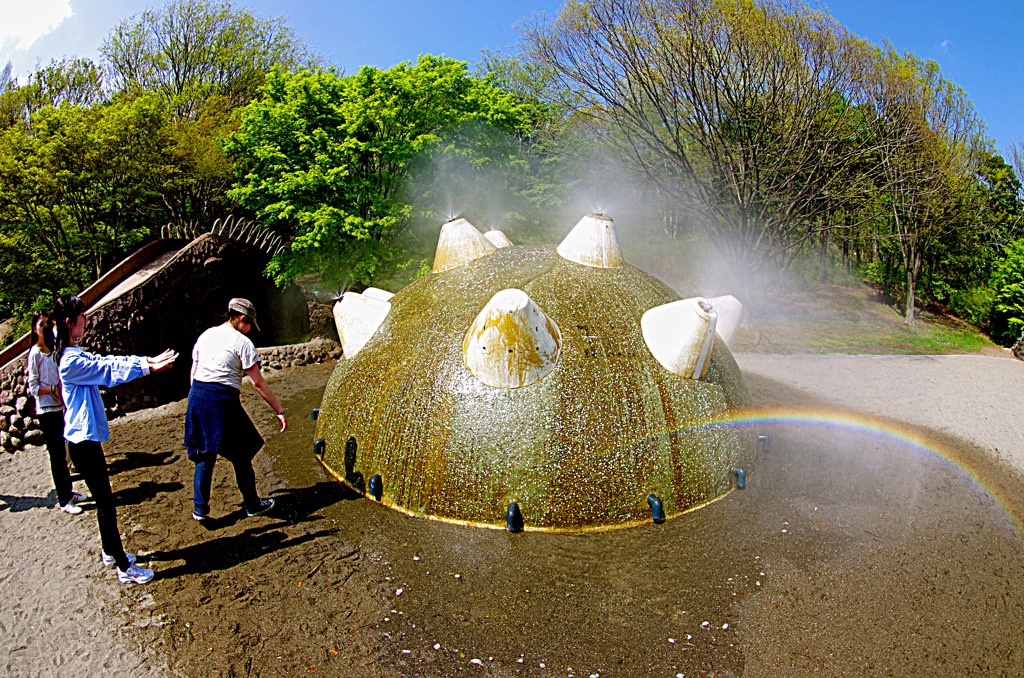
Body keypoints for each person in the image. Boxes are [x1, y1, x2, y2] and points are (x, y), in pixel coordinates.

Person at [51, 294, 178, 585]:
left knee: (104, 501)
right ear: (70, 322)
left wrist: (146, 361)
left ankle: (110, 552)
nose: (86, 320)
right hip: (82, 443)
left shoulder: (72, 353)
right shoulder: (70, 361)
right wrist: (148, 367)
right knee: (106, 504)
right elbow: (108, 371)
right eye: (82, 316)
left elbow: (107, 362)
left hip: (84, 441)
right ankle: (124, 566)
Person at [184, 298, 287, 522]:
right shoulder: (242, 342)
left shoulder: (206, 335)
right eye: (250, 324)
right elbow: (257, 382)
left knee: (204, 454)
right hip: (221, 399)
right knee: (242, 453)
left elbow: (194, 371)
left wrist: (198, 401)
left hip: (197, 396)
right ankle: (252, 504)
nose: (250, 330)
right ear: (242, 319)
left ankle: (200, 509)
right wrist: (278, 409)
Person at [26, 310, 87, 514]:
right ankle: (64, 499)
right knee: (57, 455)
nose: (44, 327)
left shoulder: (54, 351)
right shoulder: (35, 353)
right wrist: (52, 390)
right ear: (35, 328)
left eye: (46, 323)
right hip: (47, 410)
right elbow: (33, 387)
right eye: (40, 324)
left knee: (67, 451)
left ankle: (68, 491)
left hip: (61, 405)